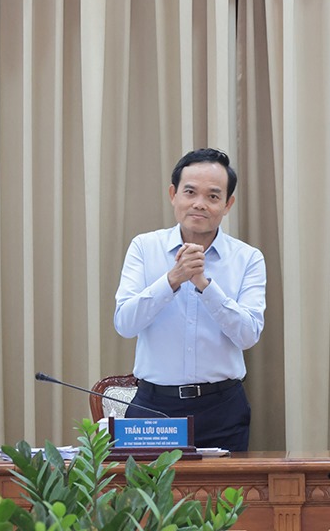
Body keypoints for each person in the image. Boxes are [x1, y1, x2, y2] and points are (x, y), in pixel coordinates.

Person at [114, 148, 266, 452]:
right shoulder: (144, 247)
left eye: (212, 196)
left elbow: (248, 335)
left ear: (227, 204)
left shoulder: (248, 258)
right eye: (190, 192)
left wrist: (204, 286)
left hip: (222, 407)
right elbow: (125, 324)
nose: (199, 203)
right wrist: (173, 279)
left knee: (225, 499)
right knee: (146, 499)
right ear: (173, 195)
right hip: (154, 408)